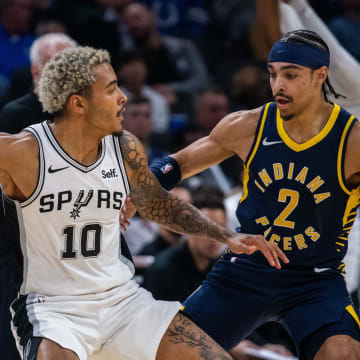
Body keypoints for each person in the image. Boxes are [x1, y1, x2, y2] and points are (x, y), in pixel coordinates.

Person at [0, 45, 286, 360]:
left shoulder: (125, 148)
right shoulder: (23, 152)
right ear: (78, 103)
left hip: (123, 303)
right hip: (53, 308)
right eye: (111, 90)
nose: (123, 97)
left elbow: (157, 205)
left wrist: (227, 235)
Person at [122, 29, 360, 359]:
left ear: (320, 76)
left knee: (343, 354)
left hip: (314, 280)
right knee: (167, 351)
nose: (278, 85)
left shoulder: (351, 140)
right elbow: (181, 162)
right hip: (247, 267)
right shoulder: (249, 125)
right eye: (273, 74)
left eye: (290, 75)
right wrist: (141, 190)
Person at [0, 32, 77, 132]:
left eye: (70, 63)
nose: (64, 70)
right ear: (35, 71)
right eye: (55, 63)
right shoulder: (15, 113)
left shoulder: (84, 108)